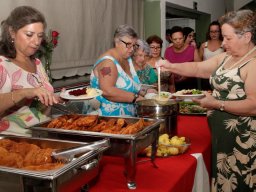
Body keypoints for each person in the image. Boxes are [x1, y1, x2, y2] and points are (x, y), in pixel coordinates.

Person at [156, 10, 256, 191]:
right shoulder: (227, 57)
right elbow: (198, 68)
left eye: (228, 38)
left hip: (243, 139)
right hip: (222, 136)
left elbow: (253, 105)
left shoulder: (253, 62)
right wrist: (170, 66)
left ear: (247, 37)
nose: (223, 43)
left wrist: (216, 104)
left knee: (242, 180)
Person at [0, 6, 60, 136]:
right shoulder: (3, 65)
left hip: (39, 135)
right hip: (12, 142)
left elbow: (41, 104)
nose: (36, 42)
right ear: (12, 32)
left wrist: (55, 98)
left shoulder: (37, 63)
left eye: (40, 36)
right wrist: (25, 92)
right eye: (29, 35)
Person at [90, 24, 144, 116]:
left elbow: (132, 87)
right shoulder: (108, 63)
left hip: (128, 119)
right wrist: (136, 98)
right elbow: (107, 91)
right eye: (128, 44)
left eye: (134, 45)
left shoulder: (128, 59)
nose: (131, 49)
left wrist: (147, 93)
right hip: (107, 120)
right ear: (117, 42)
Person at [164, 26, 201, 91]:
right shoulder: (168, 51)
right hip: (173, 86)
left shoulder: (192, 49)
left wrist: (187, 74)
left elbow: (200, 67)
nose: (178, 41)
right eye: (175, 39)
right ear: (171, 39)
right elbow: (166, 70)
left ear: (184, 37)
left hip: (190, 86)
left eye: (180, 38)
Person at [199, 21, 225, 90]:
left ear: (220, 32)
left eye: (216, 31)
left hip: (219, 77)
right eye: (211, 31)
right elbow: (199, 62)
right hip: (205, 77)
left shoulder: (224, 45)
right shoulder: (204, 45)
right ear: (209, 32)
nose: (214, 34)